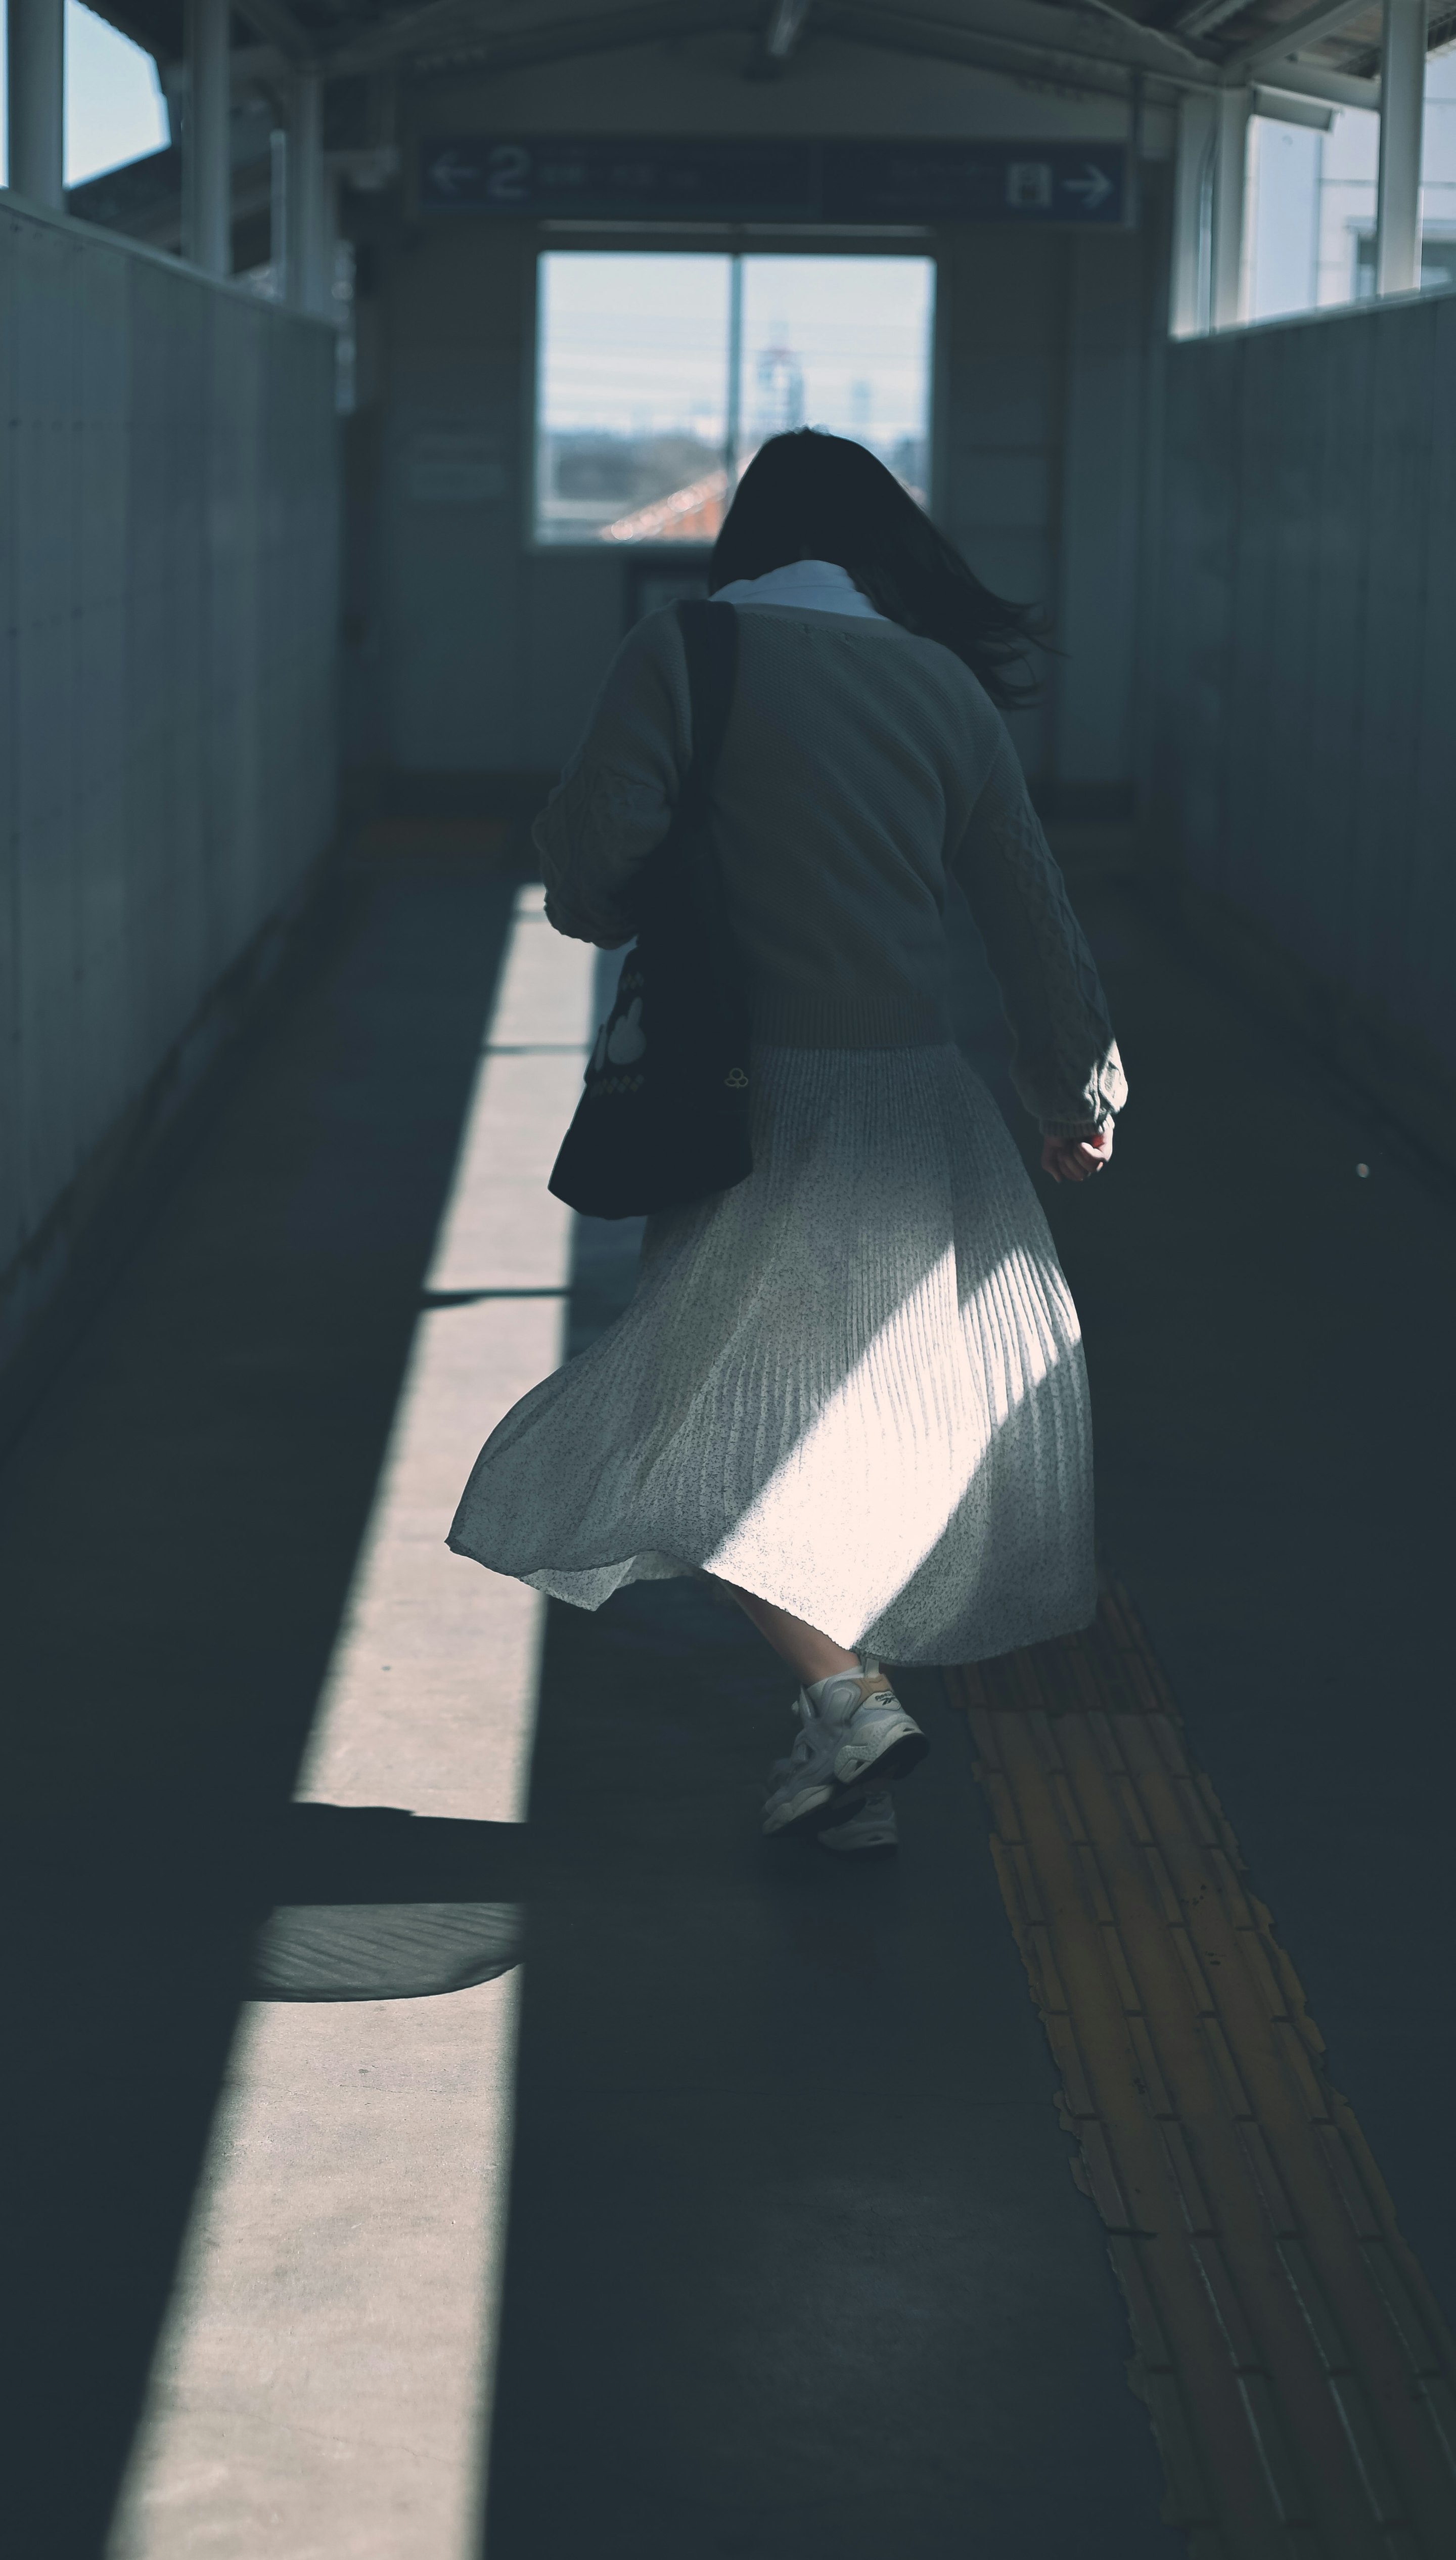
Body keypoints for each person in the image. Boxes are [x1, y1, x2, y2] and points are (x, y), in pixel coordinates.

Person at [445, 429, 1124, 1859]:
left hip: (752, 1099)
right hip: (919, 1109)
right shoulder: (941, 687)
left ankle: (845, 1706)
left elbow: (588, 879)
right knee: (845, 1424)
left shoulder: (685, 650)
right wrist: (1077, 1098)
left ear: (744, 535)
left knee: (705, 1425)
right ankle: (841, 1777)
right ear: (884, 546)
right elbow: (1031, 920)